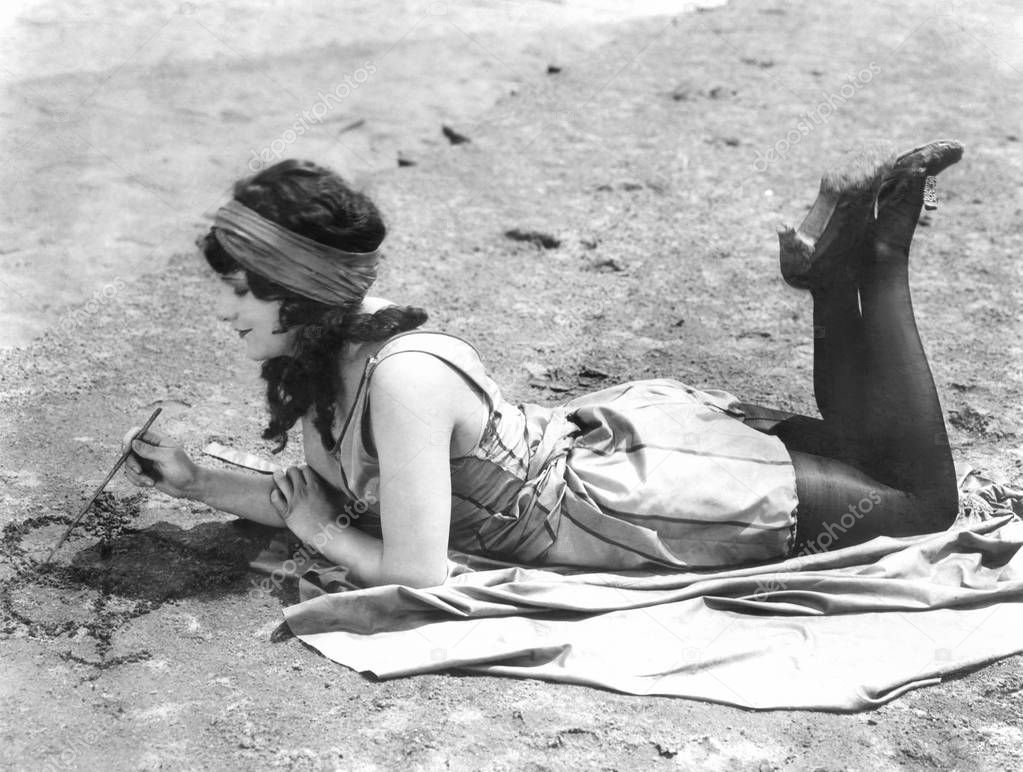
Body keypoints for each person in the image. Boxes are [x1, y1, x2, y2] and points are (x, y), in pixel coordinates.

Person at [123, 141, 964, 588]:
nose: (227, 310)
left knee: (923, 505)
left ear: (297, 289)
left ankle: (880, 259)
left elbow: (415, 569)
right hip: (612, 450)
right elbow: (333, 503)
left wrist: (315, 531)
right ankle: (828, 285)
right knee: (870, 453)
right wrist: (199, 483)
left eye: (239, 290)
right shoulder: (322, 357)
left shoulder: (400, 379)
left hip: (635, 503)